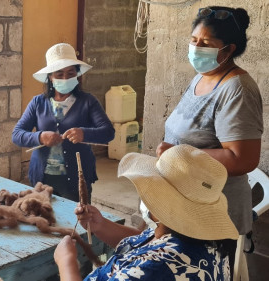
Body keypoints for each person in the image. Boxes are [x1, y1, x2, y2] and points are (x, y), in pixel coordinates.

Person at [155, 6, 263, 272]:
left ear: (227, 50)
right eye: (194, 40)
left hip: (214, 215)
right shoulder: (201, 79)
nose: (196, 47)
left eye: (206, 43)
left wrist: (177, 154)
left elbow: (243, 159)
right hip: (185, 207)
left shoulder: (237, 90)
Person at [54, 144, 238, 281]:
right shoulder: (195, 236)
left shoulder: (156, 269)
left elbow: (150, 260)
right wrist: (100, 224)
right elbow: (143, 244)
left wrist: (66, 261)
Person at [12, 43, 114, 203]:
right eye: (59, 74)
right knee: (45, 220)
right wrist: (39, 137)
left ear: (77, 75)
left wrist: (84, 133)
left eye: (70, 73)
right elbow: (17, 134)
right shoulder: (38, 103)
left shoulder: (88, 102)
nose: (65, 78)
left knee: (78, 221)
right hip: (42, 178)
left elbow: (108, 132)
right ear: (50, 78)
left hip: (77, 178)